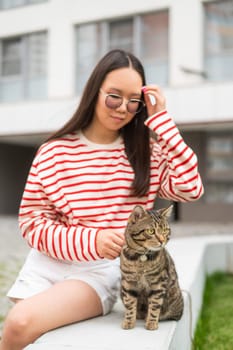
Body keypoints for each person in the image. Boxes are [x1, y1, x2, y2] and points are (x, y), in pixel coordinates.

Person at [0, 49, 204, 349]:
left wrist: (162, 120)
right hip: (46, 263)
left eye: (134, 101)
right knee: (25, 335)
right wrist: (91, 239)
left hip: (100, 270)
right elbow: (32, 223)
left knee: (20, 322)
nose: (123, 107)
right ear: (94, 91)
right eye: (114, 96)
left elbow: (191, 188)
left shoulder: (146, 153)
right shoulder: (54, 151)